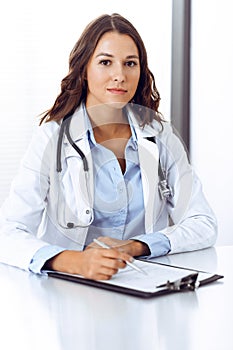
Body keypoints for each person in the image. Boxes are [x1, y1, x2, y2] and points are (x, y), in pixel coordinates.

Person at [0, 13, 217, 280]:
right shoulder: (50, 140)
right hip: (70, 290)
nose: (120, 75)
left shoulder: (161, 137)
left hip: (145, 285)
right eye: (105, 62)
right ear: (84, 70)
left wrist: (137, 246)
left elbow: (203, 223)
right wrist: (73, 261)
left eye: (130, 63)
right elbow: (9, 232)